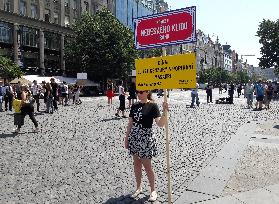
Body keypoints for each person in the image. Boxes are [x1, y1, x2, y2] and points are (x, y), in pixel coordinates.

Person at [124, 90, 168, 202]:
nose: (138, 94)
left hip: (146, 138)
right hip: (135, 137)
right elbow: (130, 123)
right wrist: (126, 138)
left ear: (147, 92)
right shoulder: (134, 105)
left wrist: (165, 111)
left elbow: (160, 124)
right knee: (137, 164)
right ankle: (138, 187)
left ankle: (153, 190)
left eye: (141, 92)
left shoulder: (153, 106)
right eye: (137, 92)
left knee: (147, 166)